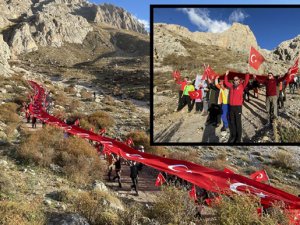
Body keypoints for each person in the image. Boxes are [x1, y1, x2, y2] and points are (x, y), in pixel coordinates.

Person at [224, 71, 249, 143]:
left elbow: (246, 81)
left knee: (238, 123)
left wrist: (247, 73)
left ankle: (238, 138)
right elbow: (226, 82)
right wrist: (226, 75)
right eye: (234, 80)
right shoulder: (231, 86)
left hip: (238, 107)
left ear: (239, 80)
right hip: (231, 107)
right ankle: (234, 136)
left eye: (236, 79)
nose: (235, 81)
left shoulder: (242, 86)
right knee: (232, 122)